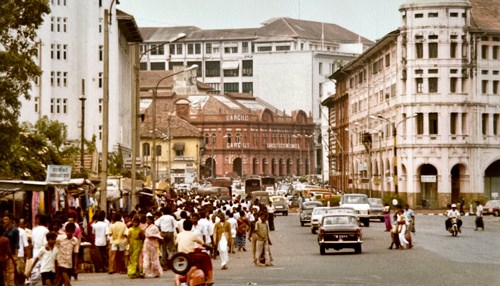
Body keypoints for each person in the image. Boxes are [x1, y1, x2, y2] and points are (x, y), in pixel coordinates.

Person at [174, 219, 213, 286]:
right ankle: (209, 278)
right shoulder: (193, 235)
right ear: (192, 226)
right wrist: (210, 248)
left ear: (183, 227)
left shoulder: (179, 235)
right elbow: (202, 243)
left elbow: (176, 244)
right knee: (206, 256)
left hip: (180, 256)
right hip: (190, 256)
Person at [55, 222, 78, 286]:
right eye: (67, 232)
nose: (69, 233)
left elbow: (75, 254)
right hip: (60, 262)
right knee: (66, 279)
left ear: (73, 232)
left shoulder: (75, 240)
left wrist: (75, 266)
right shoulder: (59, 239)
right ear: (65, 231)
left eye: (71, 232)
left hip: (69, 263)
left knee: (61, 281)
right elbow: (54, 248)